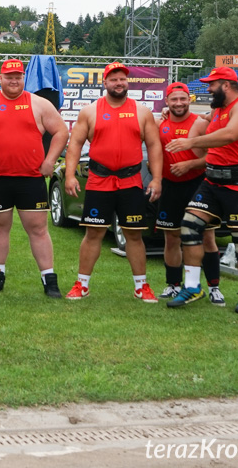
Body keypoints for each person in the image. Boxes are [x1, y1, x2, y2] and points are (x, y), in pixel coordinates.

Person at [0, 58, 69, 296]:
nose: (14, 81)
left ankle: (50, 280)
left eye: (18, 76)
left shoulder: (39, 104)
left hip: (30, 178)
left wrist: (50, 161)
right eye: (9, 77)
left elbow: (61, 131)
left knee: (38, 228)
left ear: (23, 79)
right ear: (1, 79)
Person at [165, 67, 238, 314]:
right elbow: (202, 122)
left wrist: (191, 142)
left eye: (212, 84)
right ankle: (192, 287)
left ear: (227, 85)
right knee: (189, 225)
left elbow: (229, 135)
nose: (208, 89)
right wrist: (169, 114)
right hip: (212, 182)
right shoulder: (218, 110)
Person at [63, 62, 163, 302]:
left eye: (123, 79)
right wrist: (68, 175)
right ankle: (81, 285)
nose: (119, 83)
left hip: (130, 181)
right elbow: (75, 144)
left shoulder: (141, 111)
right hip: (99, 180)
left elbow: (154, 145)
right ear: (105, 83)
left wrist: (157, 179)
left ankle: (142, 286)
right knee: (94, 233)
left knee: (134, 235)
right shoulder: (90, 111)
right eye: (114, 79)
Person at [155, 82, 223, 306]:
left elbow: (214, 157)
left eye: (183, 99)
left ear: (189, 100)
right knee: (171, 238)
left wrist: (190, 164)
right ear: (167, 101)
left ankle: (214, 287)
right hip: (170, 187)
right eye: (174, 99)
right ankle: (174, 284)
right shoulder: (160, 123)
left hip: (198, 185)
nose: (178, 103)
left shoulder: (201, 123)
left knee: (207, 237)